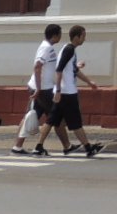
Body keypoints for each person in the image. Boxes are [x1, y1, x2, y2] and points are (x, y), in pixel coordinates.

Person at [33, 24, 105, 157]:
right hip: (67, 93)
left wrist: (89, 82)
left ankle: (39, 146)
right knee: (75, 122)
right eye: (83, 36)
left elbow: (74, 70)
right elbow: (59, 69)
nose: (84, 39)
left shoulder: (68, 49)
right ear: (77, 37)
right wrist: (58, 90)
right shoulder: (69, 50)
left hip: (63, 92)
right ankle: (88, 148)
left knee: (51, 120)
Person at [12, 23, 72, 156]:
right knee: (56, 116)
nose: (60, 37)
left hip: (41, 88)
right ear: (55, 35)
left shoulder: (47, 47)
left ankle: (17, 146)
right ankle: (66, 146)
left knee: (31, 116)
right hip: (43, 90)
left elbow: (49, 66)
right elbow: (37, 66)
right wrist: (38, 89)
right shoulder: (46, 48)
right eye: (60, 34)